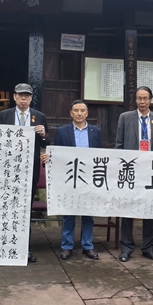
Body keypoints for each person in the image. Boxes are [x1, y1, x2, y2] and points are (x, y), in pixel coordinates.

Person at [115, 86, 153, 262]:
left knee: (150, 208)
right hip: (130, 168)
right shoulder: (125, 117)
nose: (142, 102)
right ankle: (126, 248)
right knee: (127, 208)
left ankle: (148, 248)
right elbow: (119, 144)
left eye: (145, 98)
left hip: (150, 169)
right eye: (139, 98)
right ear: (135, 100)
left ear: (150, 100)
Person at [0, 83, 50, 263]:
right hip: (7, 170)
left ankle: (23, 247)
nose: (23, 98)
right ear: (14, 97)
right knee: (5, 207)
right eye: (20, 95)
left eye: (27, 95)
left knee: (25, 209)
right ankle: (3, 245)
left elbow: (47, 142)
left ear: (31, 98)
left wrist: (43, 135)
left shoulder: (39, 116)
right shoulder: (4, 115)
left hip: (29, 169)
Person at [53, 100, 101, 260]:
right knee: (69, 213)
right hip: (69, 177)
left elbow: (99, 155)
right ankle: (67, 246)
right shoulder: (62, 131)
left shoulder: (95, 131)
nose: (79, 113)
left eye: (82, 111)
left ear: (87, 113)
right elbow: (57, 154)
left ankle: (88, 246)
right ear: (71, 113)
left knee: (88, 213)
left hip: (89, 177)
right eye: (76, 110)